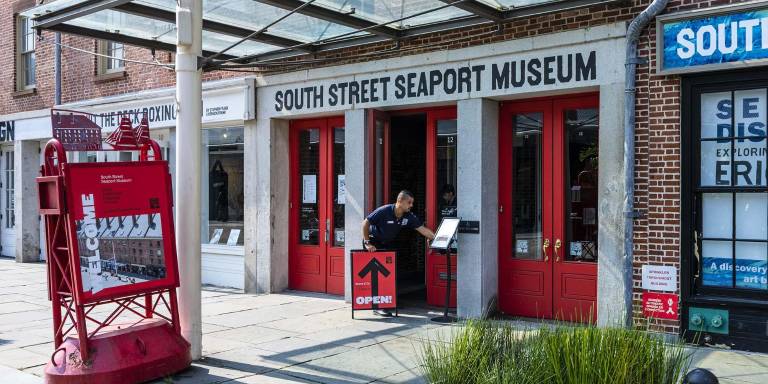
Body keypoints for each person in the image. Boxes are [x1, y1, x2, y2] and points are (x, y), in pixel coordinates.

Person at [362, 190, 435, 316]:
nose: (411, 205)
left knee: (390, 273)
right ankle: (377, 306)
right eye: (409, 202)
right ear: (400, 201)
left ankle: (389, 301)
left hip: (387, 243)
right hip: (374, 243)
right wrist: (367, 242)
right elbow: (365, 223)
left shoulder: (408, 216)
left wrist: (435, 238)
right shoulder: (384, 211)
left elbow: (423, 230)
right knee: (377, 276)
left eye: (412, 203)